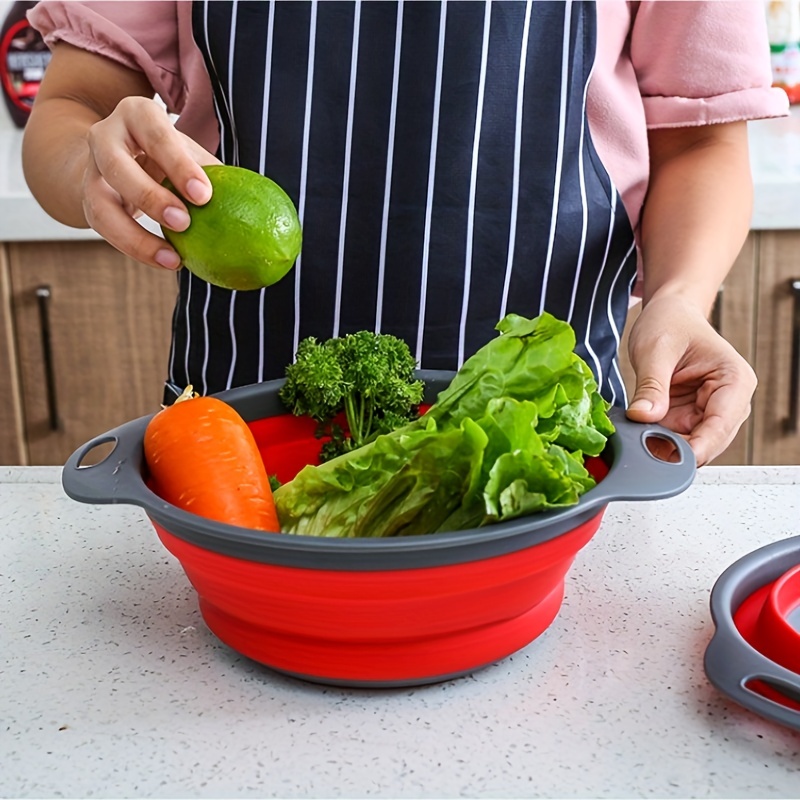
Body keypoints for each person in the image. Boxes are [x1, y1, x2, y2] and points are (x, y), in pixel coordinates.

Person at [22, 0, 788, 466]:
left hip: (542, 428)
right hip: (237, 435)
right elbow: (75, 106)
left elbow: (701, 142)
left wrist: (681, 299)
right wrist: (94, 167)